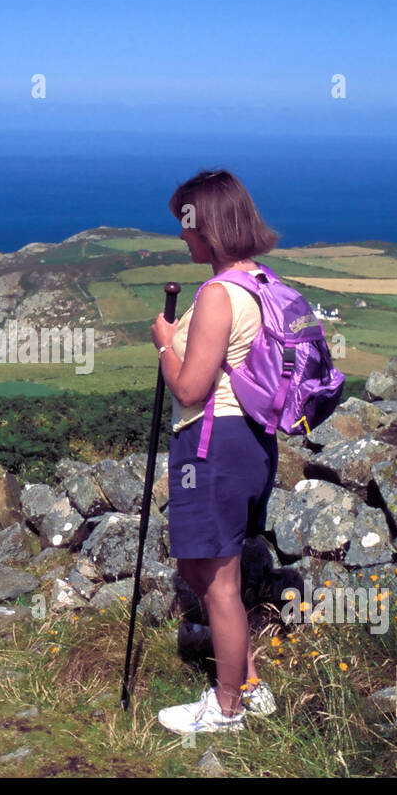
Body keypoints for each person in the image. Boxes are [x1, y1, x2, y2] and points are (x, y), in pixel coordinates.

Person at [150, 168, 280, 734]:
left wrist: (163, 346)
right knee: (196, 562)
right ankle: (246, 680)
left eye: (187, 224)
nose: (182, 237)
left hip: (212, 442)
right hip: (253, 441)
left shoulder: (218, 295)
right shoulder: (263, 284)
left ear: (210, 227)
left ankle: (227, 710)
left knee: (220, 579)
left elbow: (188, 389)